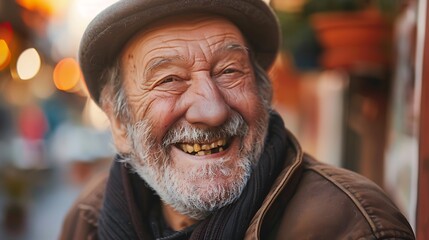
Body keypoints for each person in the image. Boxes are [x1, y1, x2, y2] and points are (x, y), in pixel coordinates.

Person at [60, 0, 415, 239]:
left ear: (264, 94)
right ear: (120, 124)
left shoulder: (353, 226)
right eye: (169, 80)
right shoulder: (88, 219)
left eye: (229, 71)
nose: (212, 109)